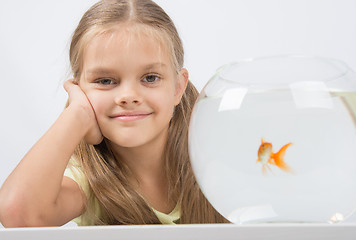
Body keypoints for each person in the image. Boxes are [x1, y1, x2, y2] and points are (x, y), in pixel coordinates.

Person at [0, 0, 228, 226]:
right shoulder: (88, 181)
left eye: (150, 78)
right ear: (79, 90)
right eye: (106, 81)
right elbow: (17, 213)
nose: (128, 96)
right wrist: (77, 114)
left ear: (178, 88)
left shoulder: (214, 161)